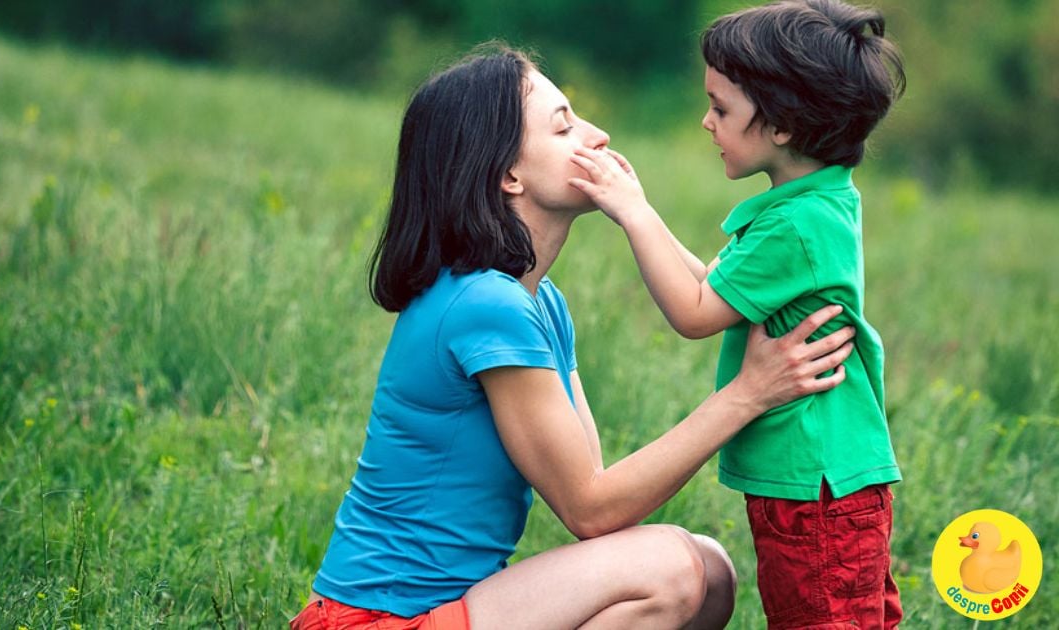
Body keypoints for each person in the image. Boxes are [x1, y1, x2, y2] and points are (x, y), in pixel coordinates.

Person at [291, 45, 856, 630]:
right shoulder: (484, 304)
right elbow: (591, 510)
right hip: (373, 621)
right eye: (564, 127)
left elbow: (596, 493)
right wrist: (749, 393)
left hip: (445, 614)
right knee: (671, 569)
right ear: (508, 174)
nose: (600, 137)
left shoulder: (539, 302)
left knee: (710, 572)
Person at [567, 1, 906, 627]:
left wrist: (631, 214)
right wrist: (640, 205)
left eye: (721, 108)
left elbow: (697, 313)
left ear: (782, 124)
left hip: (819, 486)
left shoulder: (797, 224)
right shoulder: (808, 203)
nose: (706, 121)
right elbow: (720, 290)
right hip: (818, 480)